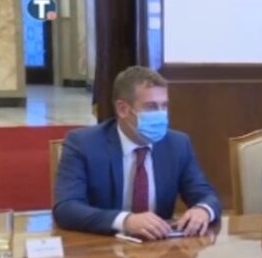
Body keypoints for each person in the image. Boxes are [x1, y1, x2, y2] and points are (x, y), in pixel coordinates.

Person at [53, 66, 221, 239]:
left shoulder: (177, 144)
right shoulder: (83, 144)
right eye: (151, 107)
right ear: (122, 109)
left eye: (164, 106)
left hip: (159, 246)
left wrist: (203, 210)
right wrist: (125, 221)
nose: (160, 114)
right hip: (103, 244)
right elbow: (66, 208)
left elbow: (206, 194)